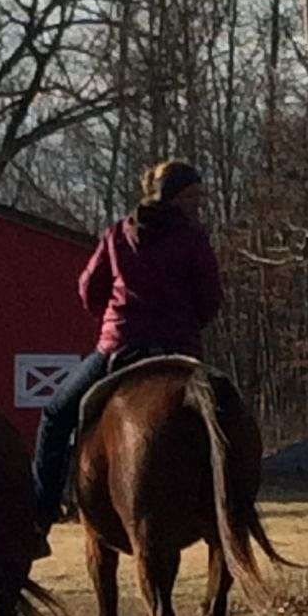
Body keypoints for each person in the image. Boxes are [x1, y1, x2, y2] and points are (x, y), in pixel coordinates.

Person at [31, 158, 222, 533]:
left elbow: (89, 290)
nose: (198, 205)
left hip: (120, 346)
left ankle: (42, 512)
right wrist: (185, 326)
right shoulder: (194, 239)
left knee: (55, 416)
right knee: (227, 413)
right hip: (178, 348)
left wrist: (112, 321)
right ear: (172, 197)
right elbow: (210, 299)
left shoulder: (118, 234)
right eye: (192, 197)